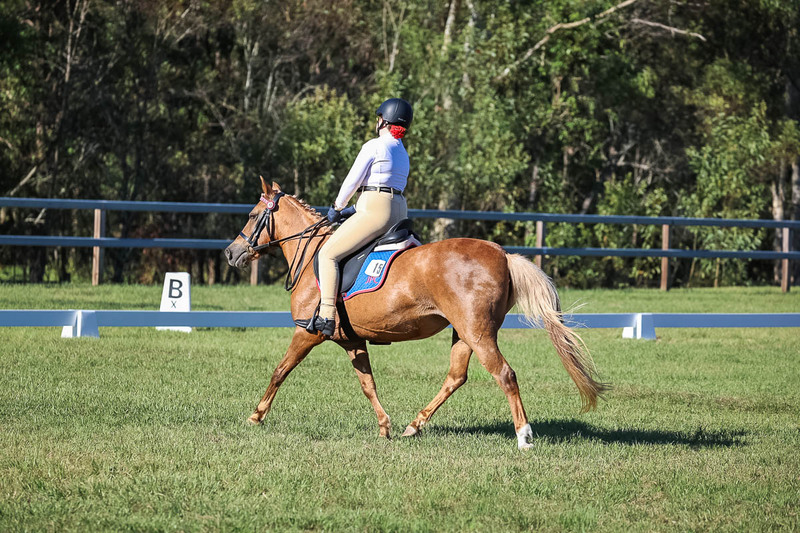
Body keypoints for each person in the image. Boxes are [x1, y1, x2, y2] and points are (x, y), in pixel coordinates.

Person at [313, 97, 413, 336]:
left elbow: (353, 181)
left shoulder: (374, 145)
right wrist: (355, 209)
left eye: (379, 118)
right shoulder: (403, 153)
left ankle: (326, 314)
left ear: (384, 121)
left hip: (375, 209)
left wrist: (338, 207)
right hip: (398, 209)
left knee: (327, 254)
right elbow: (386, 183)